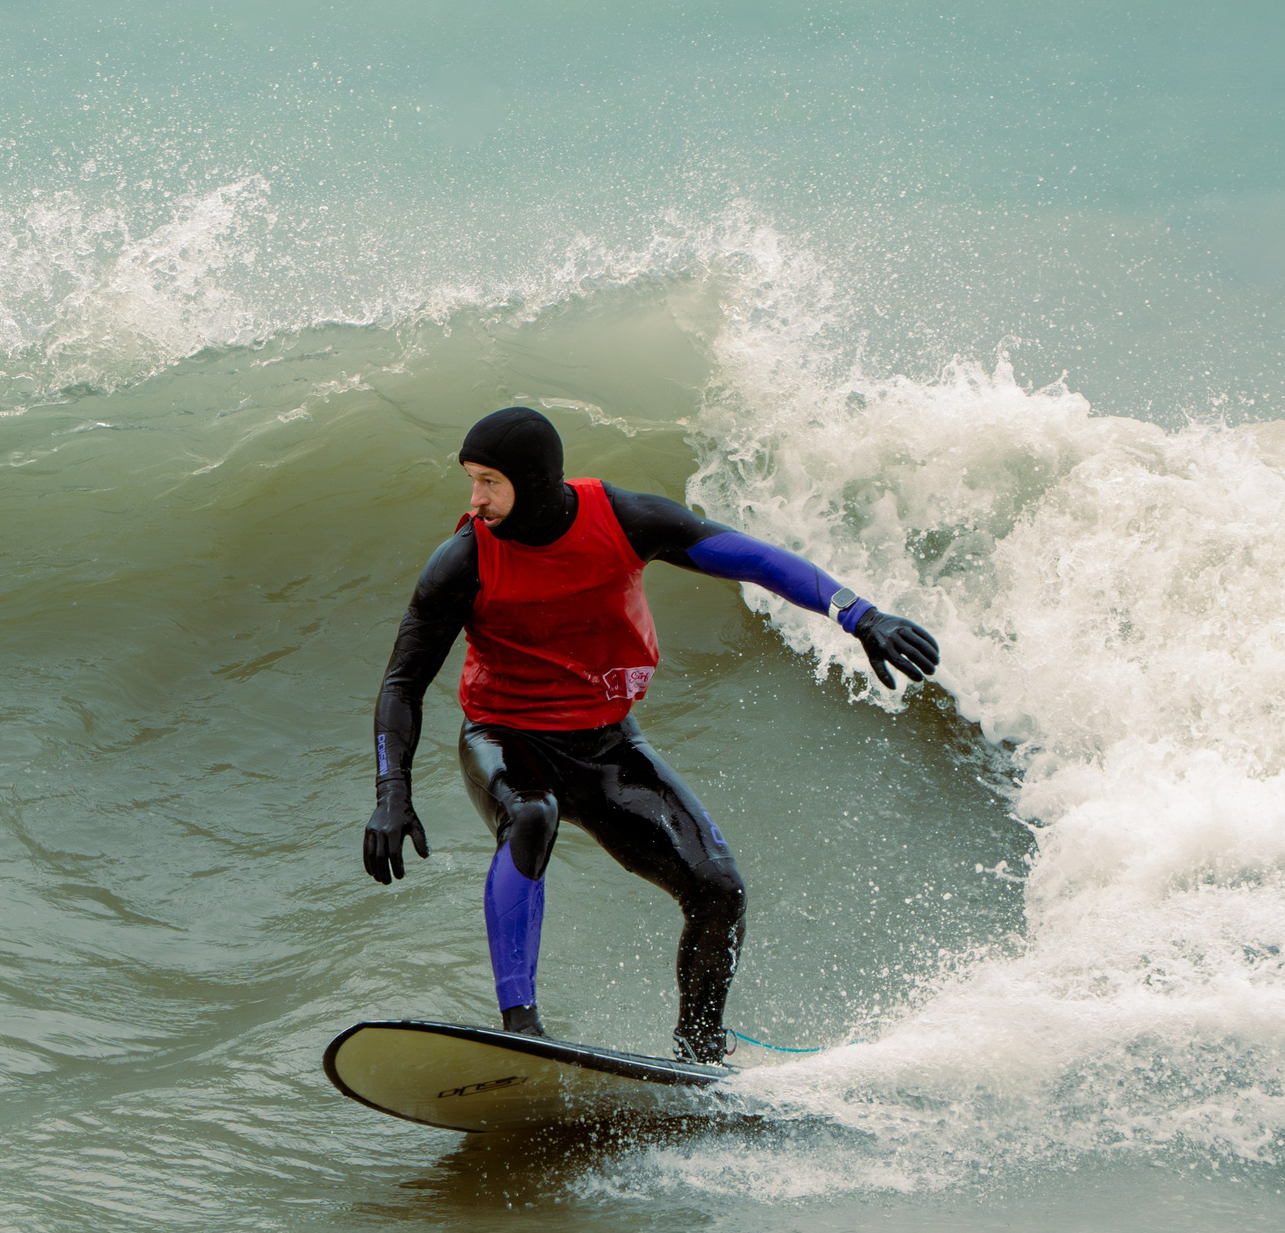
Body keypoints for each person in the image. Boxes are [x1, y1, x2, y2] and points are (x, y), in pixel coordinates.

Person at [360, 407, 940, 1062]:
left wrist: (860, 616)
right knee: (530, 813)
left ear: (534, 481)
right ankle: (521, 1031)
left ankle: (700, 1051)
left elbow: (754, 559)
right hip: (505, 736)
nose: (476, 499)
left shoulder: (625, 520)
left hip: (607, 744)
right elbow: (403, 682)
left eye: (490, 481)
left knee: (719, 889)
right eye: (472, 480)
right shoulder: (464, 560)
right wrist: (391, 791)